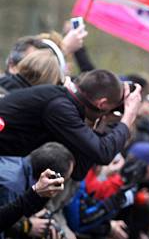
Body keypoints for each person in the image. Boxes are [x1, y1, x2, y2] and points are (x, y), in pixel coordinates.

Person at [0, 69, 141, 180]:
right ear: (102, 104)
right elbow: (103, 153)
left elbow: (78, 171)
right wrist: (128, 117)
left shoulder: (66, 104)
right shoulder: (60, 108)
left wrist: (102, 123)